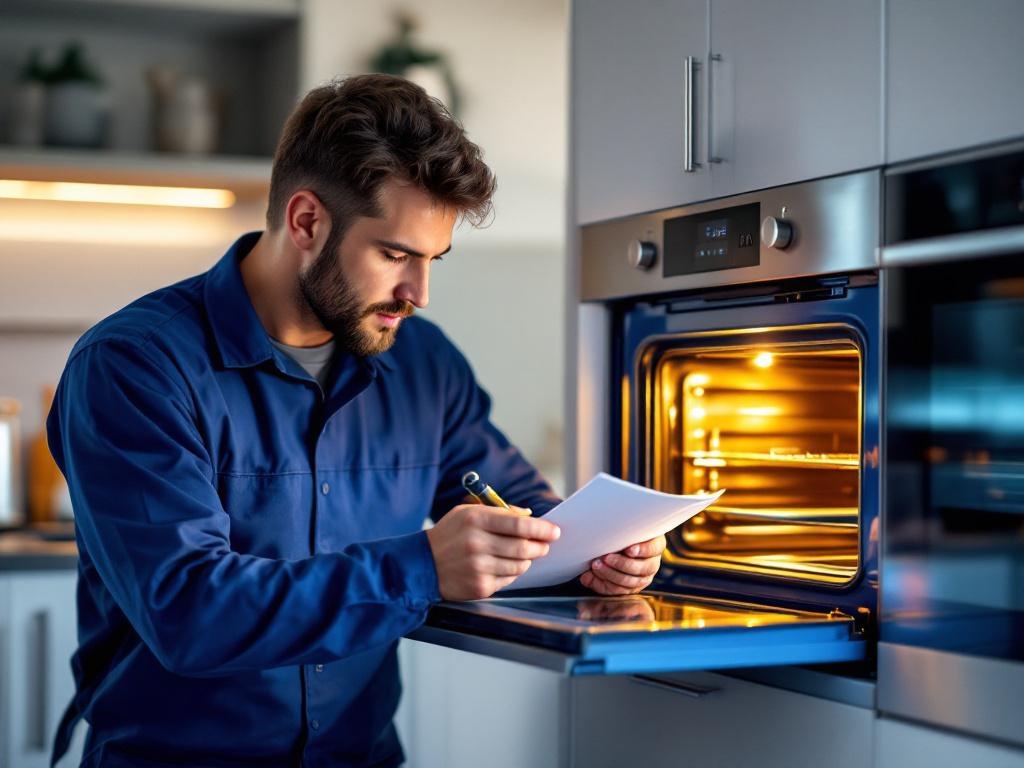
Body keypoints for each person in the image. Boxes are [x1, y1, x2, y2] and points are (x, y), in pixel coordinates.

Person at [47, 74, 665, 768]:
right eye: (395, 254)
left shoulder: (423, 364)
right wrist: (421, 567)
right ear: (307, 221)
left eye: (433, 260)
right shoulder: (134, 367)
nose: (419, 293)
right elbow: (189, 612)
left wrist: (595, 553)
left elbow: (520, 515)